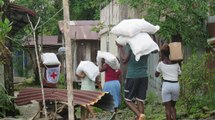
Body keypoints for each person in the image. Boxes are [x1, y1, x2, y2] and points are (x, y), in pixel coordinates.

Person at [116, 42, 148, 120]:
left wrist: (120, 47)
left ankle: (140, 115)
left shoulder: (131, 43)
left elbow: (124, 59)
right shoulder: (146, 43)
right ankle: (140, 117)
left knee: (128, 100)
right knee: (140, 100)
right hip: (144, 75)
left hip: (133, 75)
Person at [155, 43, 181, 120]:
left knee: (167, 108)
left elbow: (156, 74)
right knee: (173, 107)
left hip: (166, 85)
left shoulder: (161, 64)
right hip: (175, 85)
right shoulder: (176, 64)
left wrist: (159, 63)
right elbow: (179, 74)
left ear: (162, 53)